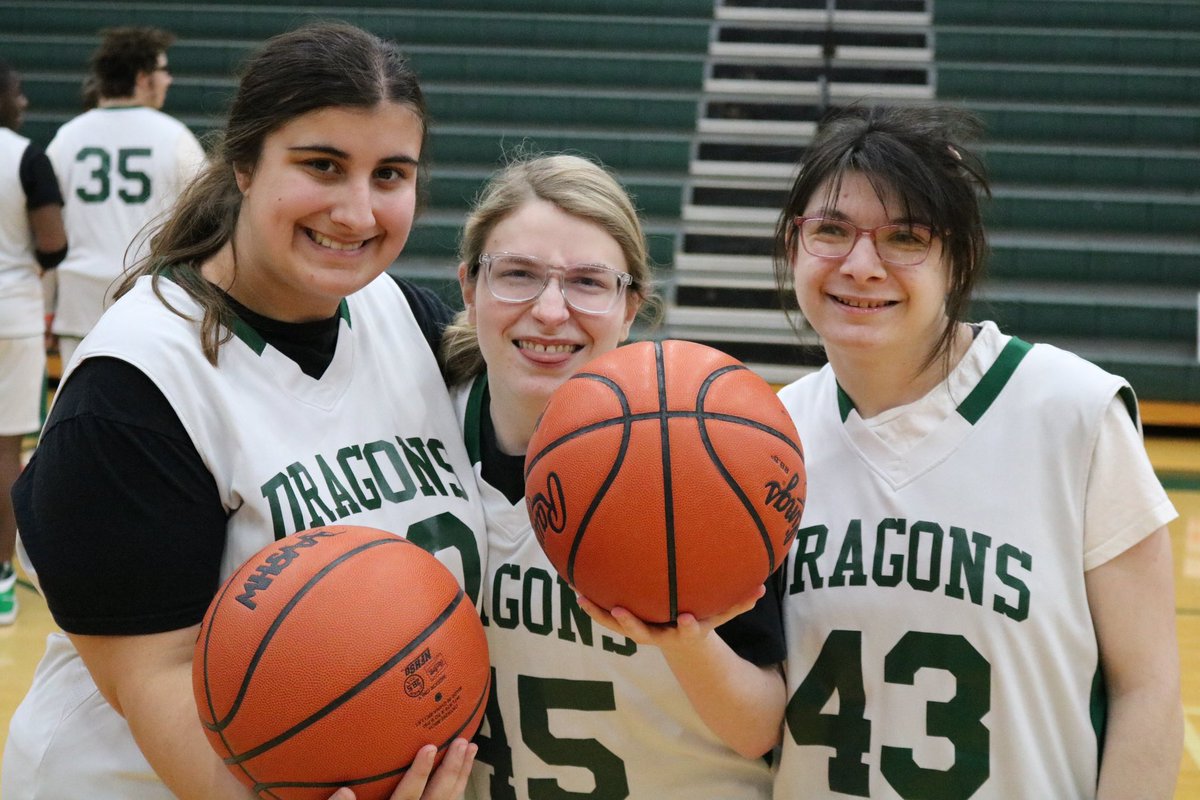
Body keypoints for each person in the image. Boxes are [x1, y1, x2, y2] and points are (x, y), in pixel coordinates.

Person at [4, 22, 486, 800]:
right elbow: (157, 677)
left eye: (391, 174)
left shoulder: (412, 319)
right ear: (244, 164)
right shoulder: (132, 389)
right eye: (322, 165)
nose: (358, 211)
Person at [770, 104, 1182, 798]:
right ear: (794, 245)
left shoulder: (1076, 413)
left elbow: (1147, 690)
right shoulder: (768, 438)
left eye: (905, 237)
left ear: (957, 256)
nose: (861, 265)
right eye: (831, 231)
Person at [441, 153, 785, 799]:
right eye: (517, 274)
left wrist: (685, 642)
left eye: (588, 283)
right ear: (469, 287)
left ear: (631, 308)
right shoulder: (416, 433)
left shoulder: (699, 453)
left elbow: (760, 727)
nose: (550, 311)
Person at [45, 25, 205, 367]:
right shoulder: (174, 136)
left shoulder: (65, 138)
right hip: (149, 294)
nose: (169, 80)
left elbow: (45, 226)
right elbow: (206, 216)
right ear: (144, 78)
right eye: (164, 70)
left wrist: (45, 303)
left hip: (80, 296)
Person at [0, 60, 67, 626]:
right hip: (11, 314)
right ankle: (2, 576)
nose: (22, 101)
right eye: (17, 91)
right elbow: (53, 243)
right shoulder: (25, 156)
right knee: (6, 452)